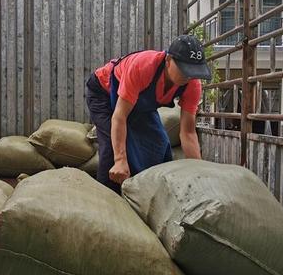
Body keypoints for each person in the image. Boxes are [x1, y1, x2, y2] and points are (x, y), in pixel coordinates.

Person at [85, 34, 211, 193]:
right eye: (184, 70)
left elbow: (188, 132)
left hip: (137, 103)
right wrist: (120, 160)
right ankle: (105, 199)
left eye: (193, 71)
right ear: (168, 60)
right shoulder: (143, 67)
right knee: (113, 148)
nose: (188, 76)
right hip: (103, 92)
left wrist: (198, 172)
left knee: (159, 145)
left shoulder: (192, 85)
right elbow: (120, 116)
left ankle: (148, 194)